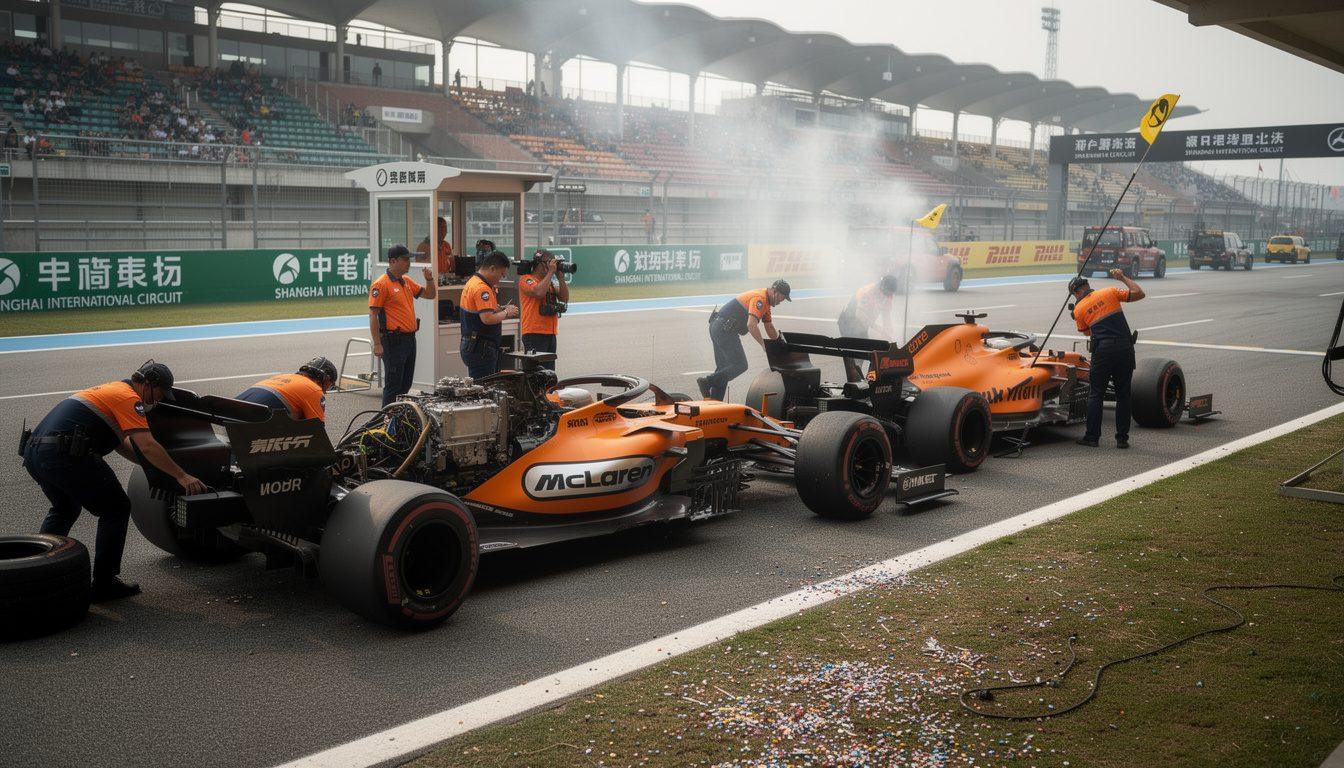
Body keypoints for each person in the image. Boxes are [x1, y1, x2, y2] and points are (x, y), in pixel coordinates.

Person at [21, 361, 207, 602]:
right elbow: (147, 444)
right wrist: (182, 475)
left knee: (65, 508)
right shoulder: (129, 398)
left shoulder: (110, 391)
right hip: (63, 455)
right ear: (148, 384)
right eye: (159, 395)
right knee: (115, 509)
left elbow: (123, 445)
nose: (157, 401)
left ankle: (37, 574)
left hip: (35, 453)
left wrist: (158, 469)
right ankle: (105, 583)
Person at [1070, 269, 1146, 449]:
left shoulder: (1079, 309)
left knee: (1096, 394)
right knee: (1123, 394)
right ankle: (1122, 439)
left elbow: (1088, 332)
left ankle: (1092, 437)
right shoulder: (1110, 292)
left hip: (1103, 351)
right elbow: (1139, 294)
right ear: (1087, 286)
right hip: (1124, 348)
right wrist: (1122, 277)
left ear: (1077, 292)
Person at [697, 280, 791, 401]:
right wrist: (764, 345)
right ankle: (707, 382)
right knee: (740, 365)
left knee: (723, 369)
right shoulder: (760, 299)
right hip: (724, 329)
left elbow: (769, 327)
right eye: (781, 298)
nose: (780, 302)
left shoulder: (766, 303)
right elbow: (751, 325)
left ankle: (714, 402)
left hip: (717, 326)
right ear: (774, 292)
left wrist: (780, 343)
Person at [369, 244, 437, 407]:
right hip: (393, 341)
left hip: (409, 339)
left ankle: (397, 421)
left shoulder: (405, 281)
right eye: (405, 259)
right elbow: (373, 315)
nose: (409, 263)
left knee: (405, 385)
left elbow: (430, 294)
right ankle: (385, 423)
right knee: (393, 386)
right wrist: (377, 344)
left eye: (409, 259)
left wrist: (429, 280)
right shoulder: (381, 284)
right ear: (393, 261)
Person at [460, 251, 519, 379]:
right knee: (485, 388)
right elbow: (487, 318)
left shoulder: (473, 281)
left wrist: (500, 308)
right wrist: (506, 312)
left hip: (474, 345)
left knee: (480, 385)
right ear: (492, 269)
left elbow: (482, 311)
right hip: (481, 348)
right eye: (501, 274)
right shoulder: (482, 288)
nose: (501, 278)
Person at [837, 275, 898, 382]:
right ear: (883, 286)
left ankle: (859, 377)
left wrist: (890, 335)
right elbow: (859, 315)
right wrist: (879, 329)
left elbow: (886, 316)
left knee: (866, 351)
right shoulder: (869, 292)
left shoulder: (889, 294)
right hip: (848, 320)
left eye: (891, 294)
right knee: (856, 351)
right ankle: (855, 381)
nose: (889, 296)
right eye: (888, 293)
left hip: (862, 324)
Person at [235, 357, 337, 422]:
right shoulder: (314, 389)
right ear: (324, 378)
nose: (326, 390)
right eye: (329, 385)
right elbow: (317, 429)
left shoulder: (284, 376)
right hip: (254, 422)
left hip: (232, 412)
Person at [519, 249, 569, 370]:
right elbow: (539, 292)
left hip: (550, 334)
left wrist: (561, 278)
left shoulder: (549, 283)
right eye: (550, 262)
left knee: (549, 374)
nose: (553, 265)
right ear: (541, 264)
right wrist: (551, 273)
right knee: (535, 374)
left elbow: (564, 298)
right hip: (533, 333)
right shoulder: (526, 279)